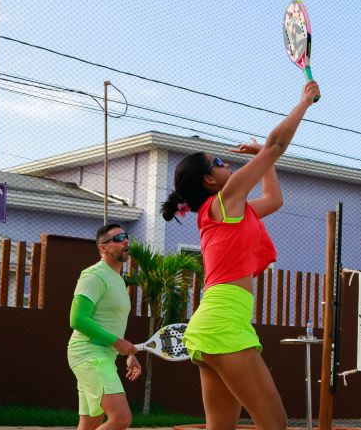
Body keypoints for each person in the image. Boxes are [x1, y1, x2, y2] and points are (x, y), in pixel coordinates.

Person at [160, 81, 321, 430]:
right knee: (275, 425)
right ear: (209, 180)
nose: (227, 164)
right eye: (219, 162)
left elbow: (275, 200)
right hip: (223, 324)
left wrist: (263, 159)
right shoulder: (224, 201)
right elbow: (277, 145)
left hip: (211, 325)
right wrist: (303, 103)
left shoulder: (230, 211)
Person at [67, 224, 142, 430]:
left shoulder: (117, 279)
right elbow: (77, 320)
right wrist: (117, 342)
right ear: (103, 248)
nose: (125, 241)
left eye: (126, 237)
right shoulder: (94, 275)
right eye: (118, 239)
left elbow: (111, 325)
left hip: (103, 355)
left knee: (91, 423)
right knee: (121, 418)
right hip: (88, 354)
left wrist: (128, 353)